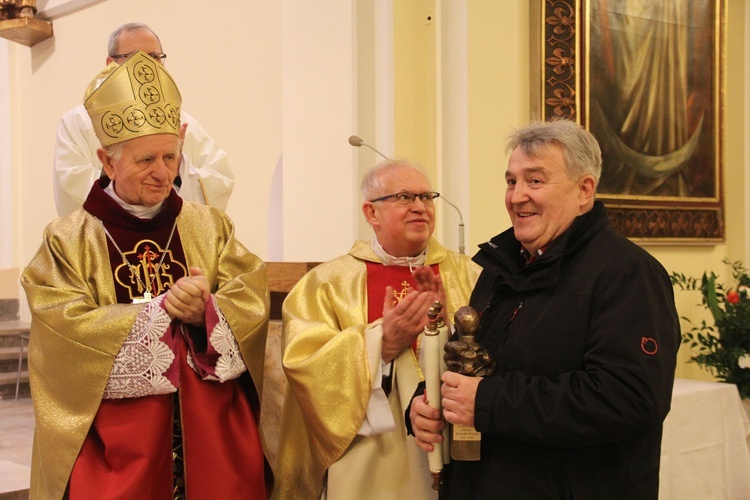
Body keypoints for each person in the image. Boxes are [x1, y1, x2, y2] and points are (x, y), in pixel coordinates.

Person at [22, 50, 269, 499]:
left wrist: (206, 313)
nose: (163, 174)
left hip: (209, 434)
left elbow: (249, 296)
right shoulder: (67, 239)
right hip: (117, 440)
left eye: (170, 157)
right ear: (107, 161)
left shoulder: (210, 226)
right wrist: (157, 315)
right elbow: (60, 329)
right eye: (145, 160)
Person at [408, 120, 680, 498]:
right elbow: (465, 360)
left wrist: (487, 402)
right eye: (511, 181)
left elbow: (628, 400)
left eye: (535, 181)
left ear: (584, 190)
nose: (517, 196)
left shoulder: (628, 273)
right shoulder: (500, 268)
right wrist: (424, 403)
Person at [273, 159, 481, 499]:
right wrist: (380, 344)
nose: (419, 207)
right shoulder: (326, 284)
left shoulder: (470, 275)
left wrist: (443, 333)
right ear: (371, 213)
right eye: (404, 197)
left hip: (449, 441)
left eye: (427, 197)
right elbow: (303, 364)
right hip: (367, 457)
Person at [53, 22, 234, 216]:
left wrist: (180, 167)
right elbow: (70, 183)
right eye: (134, 57)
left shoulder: (183, 121)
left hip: (174, 235)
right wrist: (123, 174)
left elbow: (220, 179)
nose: (147, 66)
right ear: (110, 64)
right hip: (110, 236)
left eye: (155, 57)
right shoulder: (79, 121)